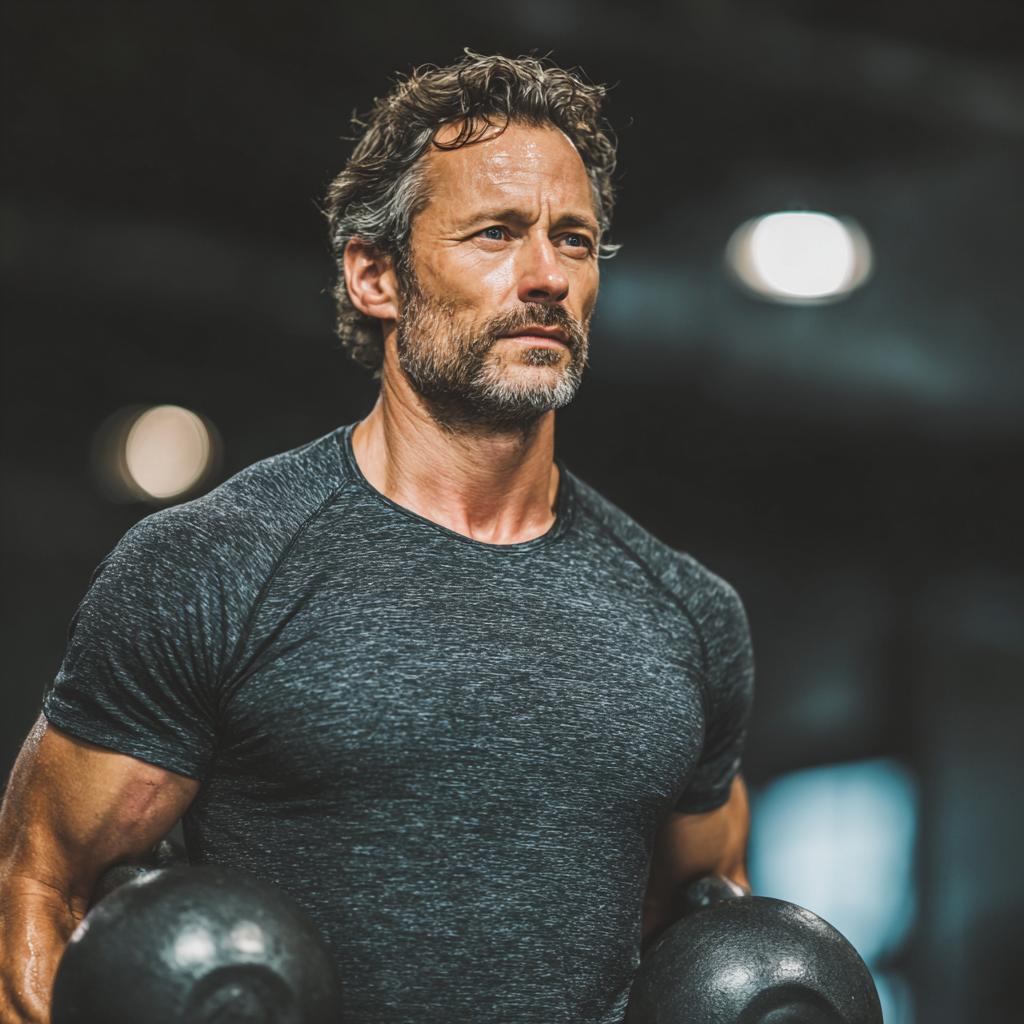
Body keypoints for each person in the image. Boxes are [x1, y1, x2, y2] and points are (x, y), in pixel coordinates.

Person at [0, 53, 753, 1024]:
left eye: (574, 241)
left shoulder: (687, 613)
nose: (546, 277)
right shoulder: (212, 565)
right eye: (495, 234)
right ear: (373, 275)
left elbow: (704, 932)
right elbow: (41, 890)